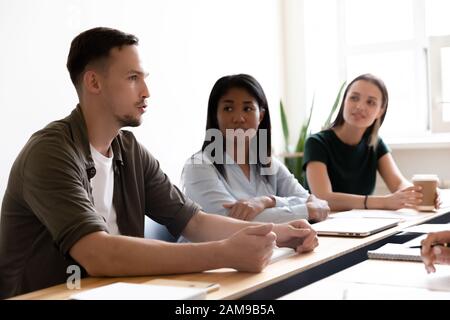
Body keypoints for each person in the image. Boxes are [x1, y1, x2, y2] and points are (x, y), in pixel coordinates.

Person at [0, 27, 319, 299]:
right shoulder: (51, 152)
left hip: (113, 291)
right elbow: (97, 253)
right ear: (94, 83)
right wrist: (224, 253)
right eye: (132, 78)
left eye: (144, 78)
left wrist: (279, 232)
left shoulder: (129, 149)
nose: (146, 91)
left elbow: (193, 221)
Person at [181, 74, 329, 224]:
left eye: (247, 108)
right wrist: (306, 211)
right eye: (228, 108)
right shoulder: (198, 165)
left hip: (267, 246)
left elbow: (313, 201)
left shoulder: (268, 163)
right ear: (215, 115)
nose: (238, 118)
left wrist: (267, 201)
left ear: (261, 116)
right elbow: (231, 222)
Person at [303, 73, 440, 212]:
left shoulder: (374, 144)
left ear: (380, 111)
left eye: (371, 102)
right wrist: (383, 202)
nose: (360, 106)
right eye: (354, 98)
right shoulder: (316, 143)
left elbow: (398, 183)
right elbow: (323, 198)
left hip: (363, 224)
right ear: (344, 100)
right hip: (324, 226)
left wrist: (420, 194)